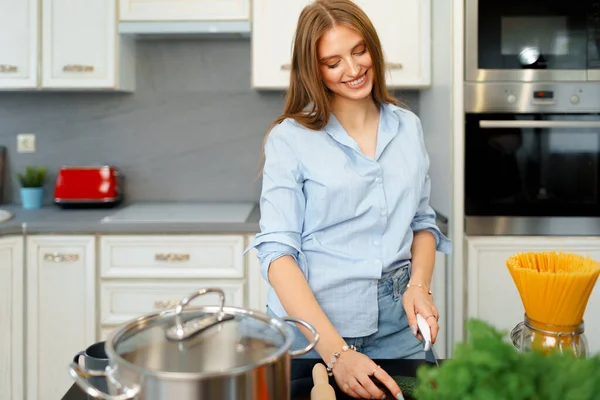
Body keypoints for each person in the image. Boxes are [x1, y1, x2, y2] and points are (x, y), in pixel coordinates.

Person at [246, 0, 452, 398]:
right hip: (311, 334)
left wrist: (419, 287)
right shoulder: (290, 138)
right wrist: (338, 354)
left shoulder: (408, 127)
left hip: (399, 328)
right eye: (333, 61)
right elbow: (277, 254)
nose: (354, 69)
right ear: (313, 69)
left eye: (359, 51)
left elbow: (421, 224)